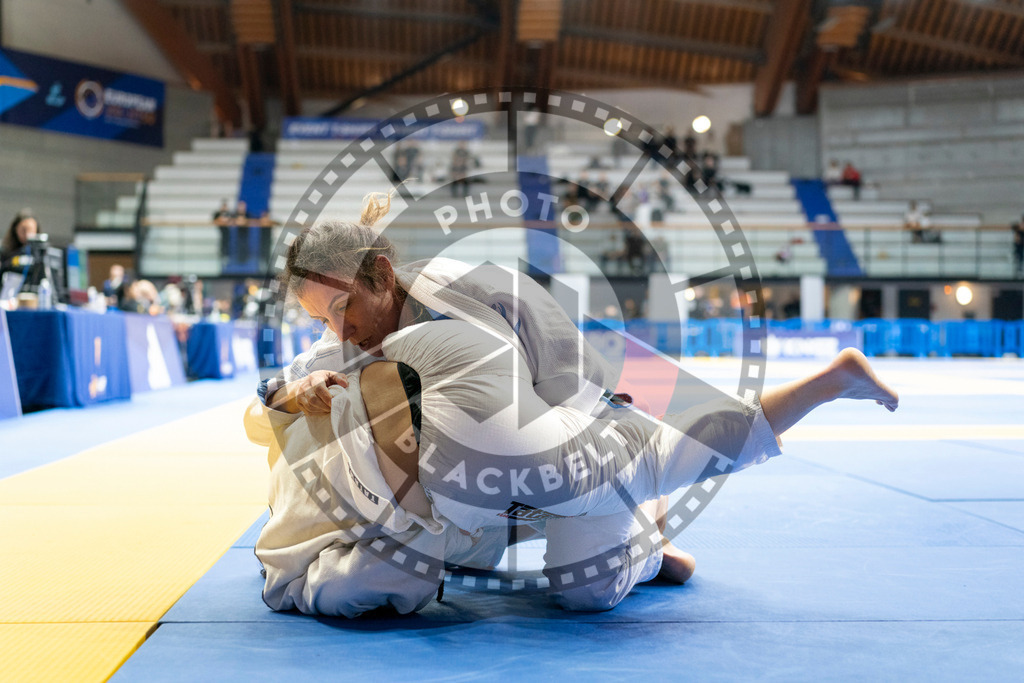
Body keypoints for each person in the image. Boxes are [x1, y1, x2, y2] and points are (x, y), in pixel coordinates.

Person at [252, 314, 898, 618]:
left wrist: (821, 386)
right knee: (461, 539)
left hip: (594, 457)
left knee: (583, 592)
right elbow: (269, 403)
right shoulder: (377, 375)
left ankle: (649, 540)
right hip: (508, 464)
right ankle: (647, 538)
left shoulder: (567, 450)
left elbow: (710, 439)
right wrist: (286, 394)